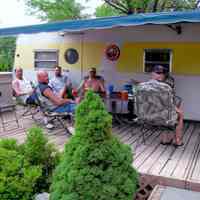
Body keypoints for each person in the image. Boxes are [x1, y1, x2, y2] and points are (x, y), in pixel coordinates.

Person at [148, 65, 184, 146]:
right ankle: (177, 140)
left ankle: (165, 139)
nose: (155, 75)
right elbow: (165, 101)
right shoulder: (165, 85)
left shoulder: (148, 84)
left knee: (168, 114)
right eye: (156, 73)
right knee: (180, 114)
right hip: (162, 111)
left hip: (150, 111)